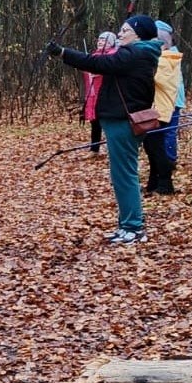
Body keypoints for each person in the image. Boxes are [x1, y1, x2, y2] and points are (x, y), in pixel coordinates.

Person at [46, 14, 162, 244]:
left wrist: (63, 53)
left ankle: (133, 228)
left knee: (124, 176)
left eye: (125, 31)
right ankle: (127, 226)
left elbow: (97, 63)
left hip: (122, 122)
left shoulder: (134, 54)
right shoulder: (138, 54)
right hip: (120, 120)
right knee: (122, 175)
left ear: (138, 34)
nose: (120, 35)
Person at [142, 20, 185, 195]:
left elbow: (159, 80)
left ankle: (165, 182)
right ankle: (154, 181)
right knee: (151, 144)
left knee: (158, 143)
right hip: (155, 107)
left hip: (165, 108)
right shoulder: (163, 58)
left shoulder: (169, 59)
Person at [81, 32, 117, 157]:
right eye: (99, 39)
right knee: (95, 122)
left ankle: (112, 147)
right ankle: (94, 149)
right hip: (93, 94)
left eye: (104, 40)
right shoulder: (93, 56)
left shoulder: (113, 55)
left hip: (107, 95)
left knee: (107, 121)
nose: (101, 42)